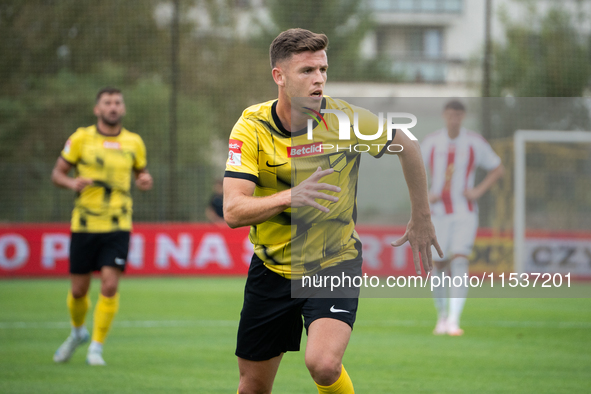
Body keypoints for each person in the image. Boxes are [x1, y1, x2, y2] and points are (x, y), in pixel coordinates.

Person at [223, 28, 442, 394]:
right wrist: (289, 196)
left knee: (323, 365)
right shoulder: (252, 127)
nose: (319, 79)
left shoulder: (345, 120)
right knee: (252, 387)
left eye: (323, 69)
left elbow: (406, 144)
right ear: (279, 76)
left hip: (333, 261)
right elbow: (233, 209)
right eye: (307, 71)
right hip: (272, 268)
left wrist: (421, 215)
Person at [51, 87, 153, 365]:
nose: (113, 107)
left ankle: (96, 347)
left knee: (109, 286)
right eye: (107, 103)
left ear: (123, 109)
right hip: (84, 224)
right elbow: (58, 173)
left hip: (118, 223)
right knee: (78, 291)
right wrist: (73, 182)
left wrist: (145, 181)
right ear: (97, 109)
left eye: (117, 102)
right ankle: (76, 333)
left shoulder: (134, 142)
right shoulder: (81, 138)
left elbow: (142, 175)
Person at [421, 100, 504, 336]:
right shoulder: (432, 142)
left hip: (464, 211)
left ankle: (455, 320)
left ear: (463, 117)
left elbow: (498, 168)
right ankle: (442, 317)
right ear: (444, 115)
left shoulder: (474, 142)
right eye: (450, 114)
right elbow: (412, 167)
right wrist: (426, 194)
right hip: (437, 213)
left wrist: (478, 191)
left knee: (459, 260)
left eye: (458, 115)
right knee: (439, 263)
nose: (454, 119)